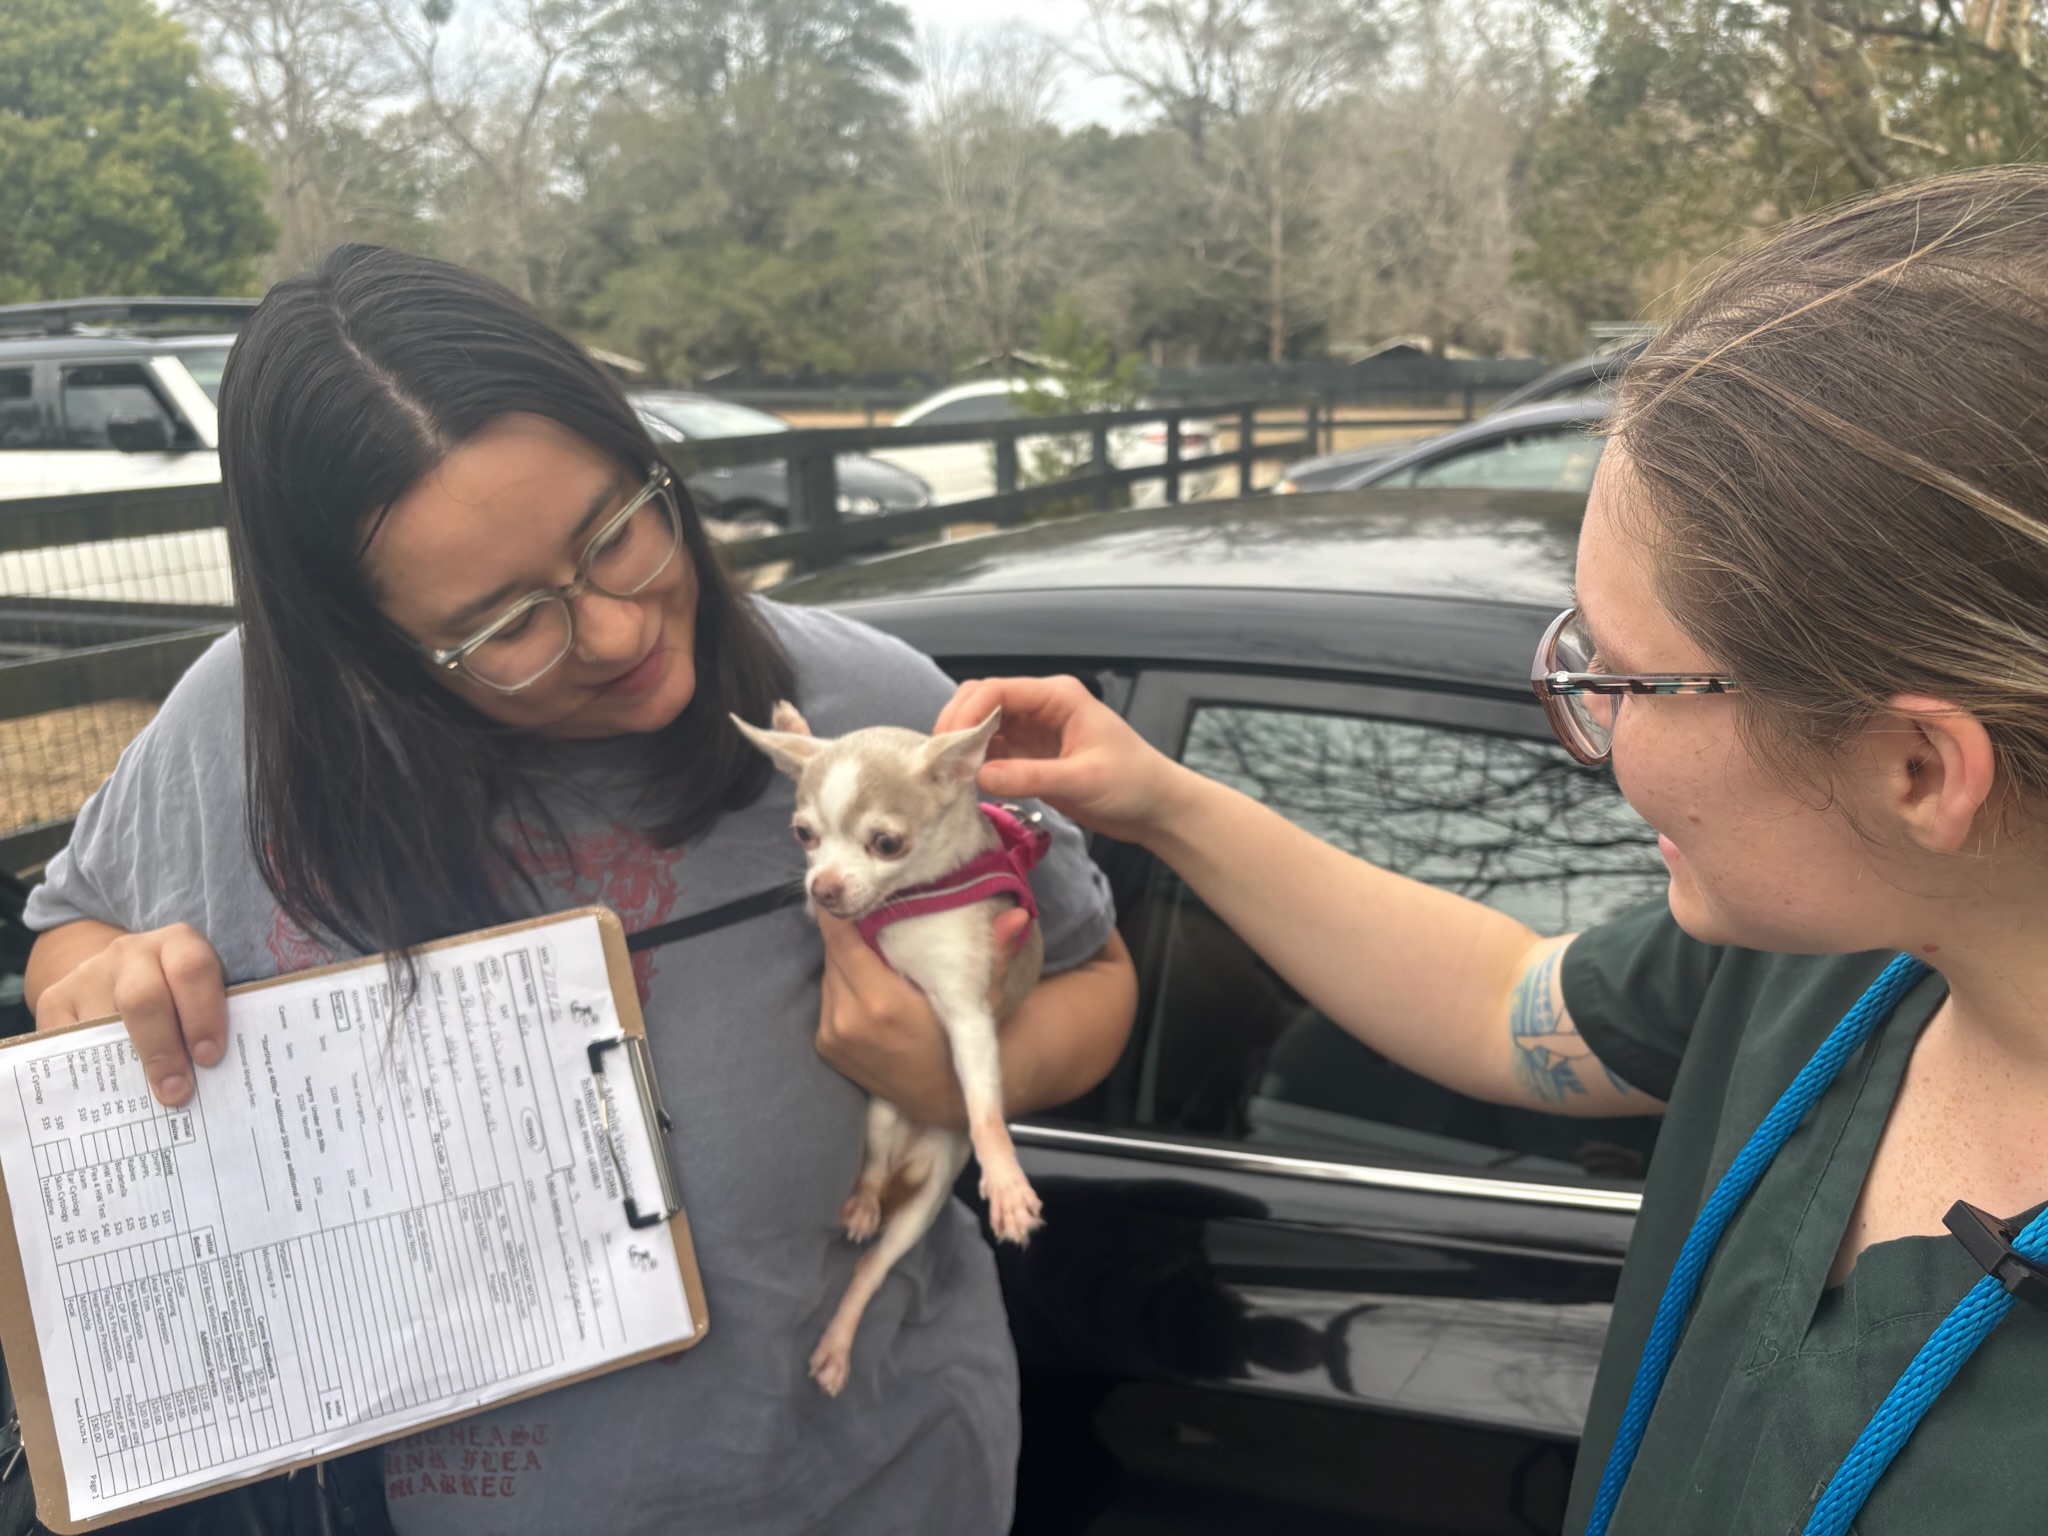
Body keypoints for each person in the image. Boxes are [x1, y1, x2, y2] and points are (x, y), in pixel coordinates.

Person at [935, 165, 2048, 1534]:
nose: (1584, 711)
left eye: (1625, 676)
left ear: (1917, 769)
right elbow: (1501, 998)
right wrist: (1165, 800)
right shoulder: (1835, 962)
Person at [20, 245, 1137, 1535]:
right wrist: (104, 983)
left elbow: (1098, 971)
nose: (613, 629)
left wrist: (952, 1079)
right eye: (502, 625)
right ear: (363, 645)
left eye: (616, 529)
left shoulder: (865, 725)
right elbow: (68, 929)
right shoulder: (245, 738)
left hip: (868, 1487)